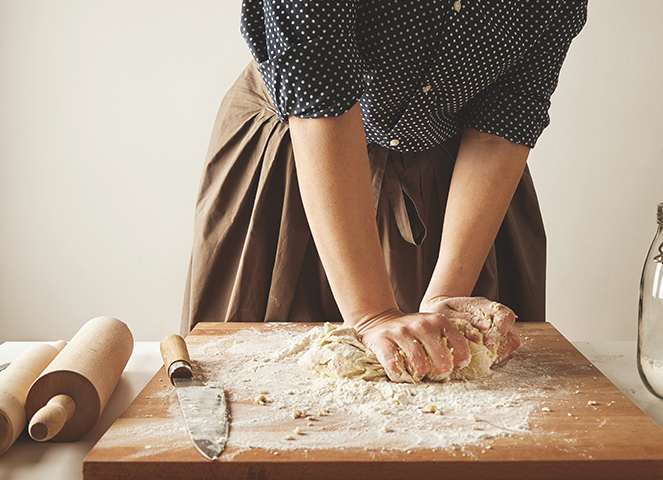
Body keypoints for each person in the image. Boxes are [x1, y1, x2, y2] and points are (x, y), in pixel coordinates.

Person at [181, 0, 588, 381]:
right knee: (253, 381)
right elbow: (319, 94)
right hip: (298, 148)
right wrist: (373, 314)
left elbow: (502, 125)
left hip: (457, 172)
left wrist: (447, 293)